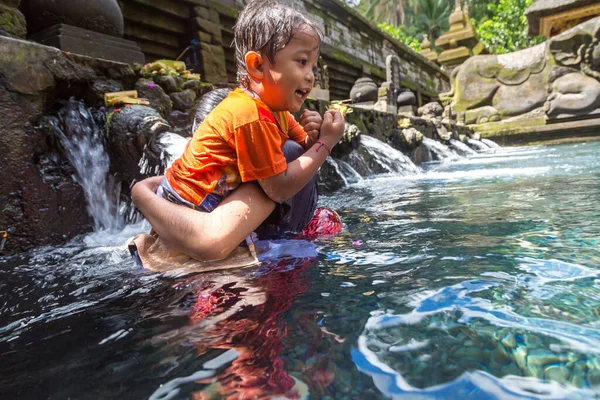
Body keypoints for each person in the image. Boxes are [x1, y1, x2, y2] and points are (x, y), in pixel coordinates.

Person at [130, 0, 345, 269]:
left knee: (293, 153)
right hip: (188, 206)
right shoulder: (250, 115)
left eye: (312, 66)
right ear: (256, 66)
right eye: (302, 62)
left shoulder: (276, 111)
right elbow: (278, 188)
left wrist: (315, 136)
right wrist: (326, 143)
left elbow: (303, 146)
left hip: (208, 202)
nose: (311, 76)